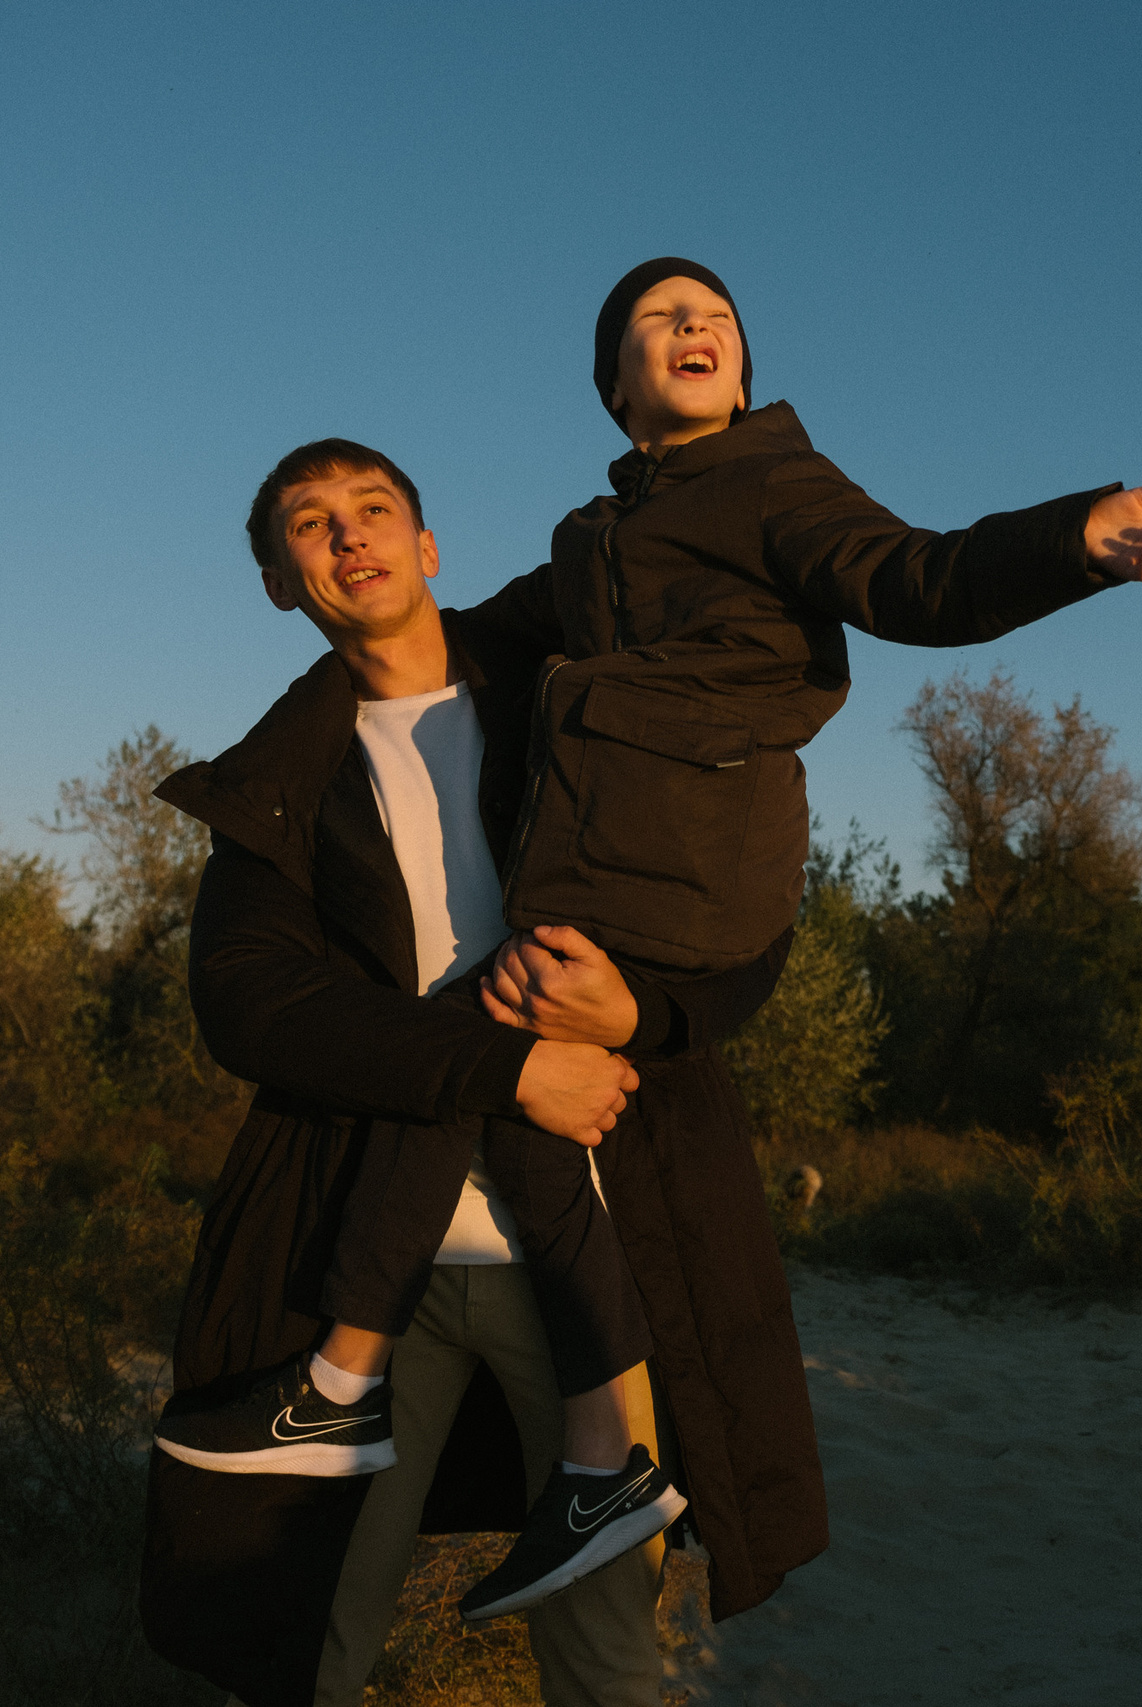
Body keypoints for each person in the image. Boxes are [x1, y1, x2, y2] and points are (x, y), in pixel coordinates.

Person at [139, 440, 817, 1707]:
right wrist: (510, 1071)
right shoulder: (276, 786)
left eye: (374, 509)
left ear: (429, 546)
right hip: (364, 1267)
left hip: (601, 1256)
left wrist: (647, 1008)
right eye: (308, 525)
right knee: (310, 1646)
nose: (348, 537)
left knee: (608, 1654)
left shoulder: (573, 697)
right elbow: (255, 1009)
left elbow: (740, 914)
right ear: (281, 583)